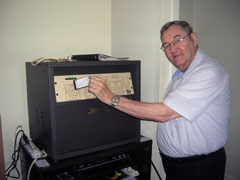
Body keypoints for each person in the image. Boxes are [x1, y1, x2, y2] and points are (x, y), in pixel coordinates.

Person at [88, 20, 231, 180]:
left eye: (177, 40)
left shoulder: (208, 72)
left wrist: (110, 97)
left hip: (199, 168)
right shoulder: (181, 74)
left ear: (193, 38)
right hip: (177, 166)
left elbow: (163, 114)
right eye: (166, 45)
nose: (172, 49)